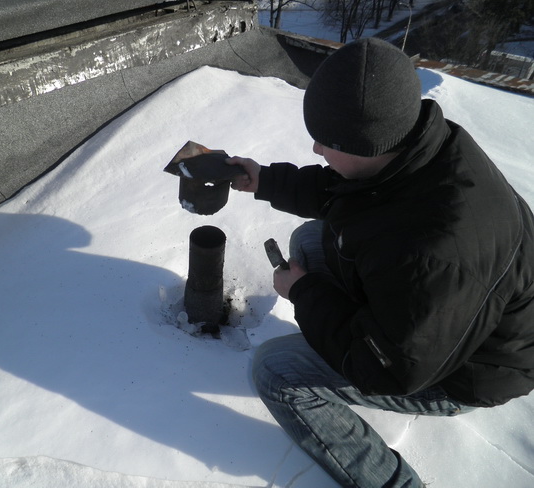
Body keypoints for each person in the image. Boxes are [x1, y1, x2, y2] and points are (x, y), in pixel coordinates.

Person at [227, 37, 534, 487]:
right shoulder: (420, 147)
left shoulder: (432, 254)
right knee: (311, 239)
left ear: (368, 144)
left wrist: (306, 293)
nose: (316, 150)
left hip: (466, 371)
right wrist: (266, 181)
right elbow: (351, 189)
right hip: (438, 315)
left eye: (326, 141)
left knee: (276, 371)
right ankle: (358, 324)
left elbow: (389, 369)